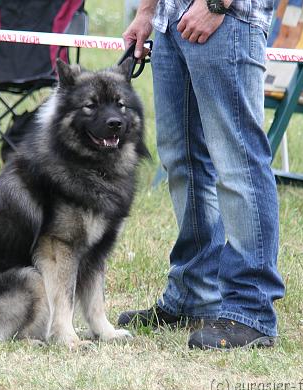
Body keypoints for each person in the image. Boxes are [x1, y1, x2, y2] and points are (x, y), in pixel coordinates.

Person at [119, 0, 285, 350]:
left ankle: (250, 310)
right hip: (170, 23)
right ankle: (194, 294)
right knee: (182, 161)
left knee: (238, 162)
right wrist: (147, 11)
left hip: (228, 19)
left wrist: (216, 5)